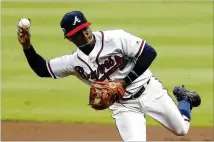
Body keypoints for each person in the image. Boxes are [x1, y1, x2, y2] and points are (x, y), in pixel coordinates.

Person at [17, 11, 201, 141]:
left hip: (149, 90)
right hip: (123, 107)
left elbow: (149, 52)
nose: (84, 34)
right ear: (70, 38)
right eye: (77, 33)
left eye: (84, 28)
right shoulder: (73, 62)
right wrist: (27, 46)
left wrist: (124, 82)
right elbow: (42, 69)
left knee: (181, 129)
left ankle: (185, 99)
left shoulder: (115, 38)